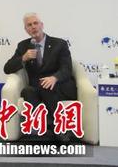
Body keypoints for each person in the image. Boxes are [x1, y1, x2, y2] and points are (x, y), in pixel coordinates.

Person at [4, 12, 77, 142]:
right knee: (27, 91)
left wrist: (54, 78)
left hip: (60, 86)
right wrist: (23, 58)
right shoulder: (23, 46)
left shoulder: (59, 44)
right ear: (26, 30)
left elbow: (66, 69)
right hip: (38, 87)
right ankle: (54, 128)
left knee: (45, 86)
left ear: (42, 25)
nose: (33, 27)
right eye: (29, 25)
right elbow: (7, 68)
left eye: (35, 23)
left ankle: (56, 130)